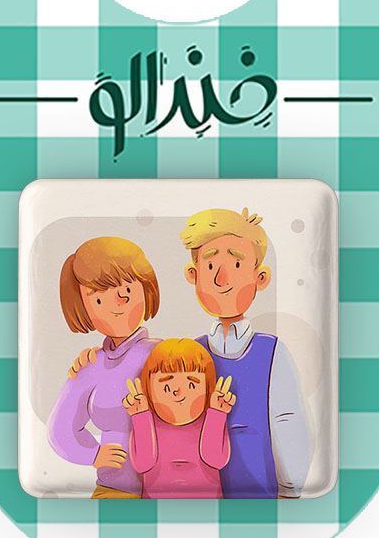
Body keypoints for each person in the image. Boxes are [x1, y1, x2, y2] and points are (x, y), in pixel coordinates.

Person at [182, 207, 311, 499]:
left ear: (260, 277)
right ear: (193, 274)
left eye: (237, 265)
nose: (222, 278)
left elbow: (287, 418)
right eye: (211, 266)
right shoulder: (193, 352)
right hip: (202, 490)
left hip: (258, 486)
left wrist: (290, 486)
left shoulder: (271, 351)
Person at [47, 237, 160, 499]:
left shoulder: (161, 353)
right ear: (81, 307)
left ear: (146, 289)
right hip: (115, 488)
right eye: (98, 300)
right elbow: (59, 428)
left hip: (169, 486)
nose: (116, 305)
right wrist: (92, 453)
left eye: (126, 291)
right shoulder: (90, 365)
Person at [123, 338, 235, 499]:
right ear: (148, 388)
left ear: (208, 388)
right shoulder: (147, 421)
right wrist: (140, 417)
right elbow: (142, 464)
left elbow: (216, 460)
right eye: (166, 387)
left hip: (206, 506)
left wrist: (217, 414)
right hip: (157, 507)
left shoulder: (210, 419)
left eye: (192, 385)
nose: (179, 393)